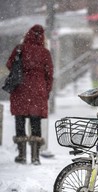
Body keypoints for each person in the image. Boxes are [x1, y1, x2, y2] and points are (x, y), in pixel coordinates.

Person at [6, 24, 54, 165]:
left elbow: (10, 65)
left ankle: (21, 155)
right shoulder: (45, 53)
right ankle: (35, 156)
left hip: (21, 88)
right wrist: (46, 91)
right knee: (35, 121)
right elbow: (49, 75)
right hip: (38, 90)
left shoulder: (20, 49)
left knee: (20, 120)